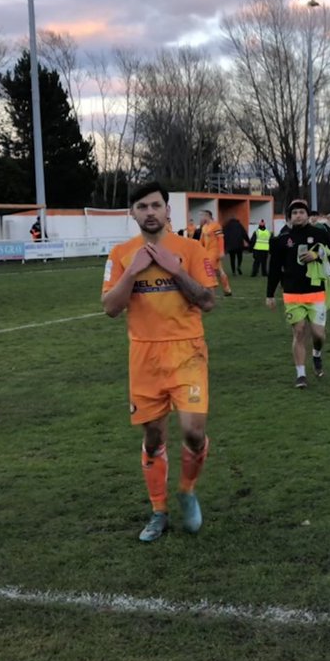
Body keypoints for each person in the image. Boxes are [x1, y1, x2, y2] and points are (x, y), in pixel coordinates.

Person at [101, 180, 218, 542]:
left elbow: (209, 300)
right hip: (144, 355)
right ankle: (158, 510)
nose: (149, 212)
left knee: (194, 432)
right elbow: (110, 309)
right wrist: (134, 271)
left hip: (187, 351)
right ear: (132, 213)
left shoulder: (193, 249)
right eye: (142, 207)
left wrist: (174, 269)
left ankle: (186, 490)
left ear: (168, 210)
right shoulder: (121, 254)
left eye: (156, 206)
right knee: (153, 437)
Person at [266, 199, 330, 388]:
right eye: (294, 213)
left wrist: (318, 255)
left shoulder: (320, 234)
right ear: (290, 217)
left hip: (316, 293)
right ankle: (301, 375)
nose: (298, 215)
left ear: (308, 215)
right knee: (299, 332)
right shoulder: (282, 239)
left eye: (301, 212)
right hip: (292, 293)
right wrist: (270, 294)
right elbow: (274, 268)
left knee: (318, 335)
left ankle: (316, 353)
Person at [197, 210, 232, 297]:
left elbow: (220, 239)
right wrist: (198, 249)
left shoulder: (216, 225)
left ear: (207, 216)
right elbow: (201, 240)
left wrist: (221, 251)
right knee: (220, 271)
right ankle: (227, 290)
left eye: (202, 216)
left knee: (208, 270)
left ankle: (210, 291)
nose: (201, 218)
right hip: (207, 251)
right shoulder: (204, 227)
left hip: (214, 251)